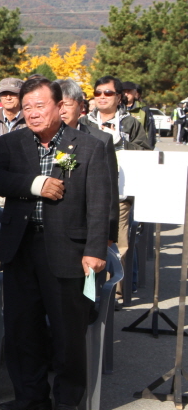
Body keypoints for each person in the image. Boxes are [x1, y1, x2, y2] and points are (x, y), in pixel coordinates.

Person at [0, 77, 110, 410]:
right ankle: (30, 393)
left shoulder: (88, 146)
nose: (33, 113)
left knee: (68, 328)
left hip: (68, 248)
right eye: (27, 107)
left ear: (60, 106)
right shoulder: (11, 142)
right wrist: (34, 185)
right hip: (21, 245)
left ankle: (67, 399)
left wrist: (95, 249)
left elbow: (100, 203)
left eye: (40, 105)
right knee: (22, 325)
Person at [86, 75, 148, 295]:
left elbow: (146, 152)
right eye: (98, 93)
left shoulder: (131, 123)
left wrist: (122, 142)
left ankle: (115, 293)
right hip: (88, 193)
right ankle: (90, 292)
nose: (102, 97)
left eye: (108, 93)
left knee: (119, 245)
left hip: (120, 193)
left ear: (119, 97)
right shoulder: (85, 122)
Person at [59, 79, 119, 247]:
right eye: (57, 105)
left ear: (80, 107)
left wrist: (109, 232)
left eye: (67, 105)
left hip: (84, 226)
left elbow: (110, 191)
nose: (62, 111)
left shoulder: (100, 140)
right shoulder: (42, 139)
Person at [121, 82, 158, 150]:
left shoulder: (143, 109)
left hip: (138, 148)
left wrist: (150, 148)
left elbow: (150, 131)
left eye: (129, 91)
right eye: (124, 91)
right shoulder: (116, 109)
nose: (126, 94)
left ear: (135, 92)